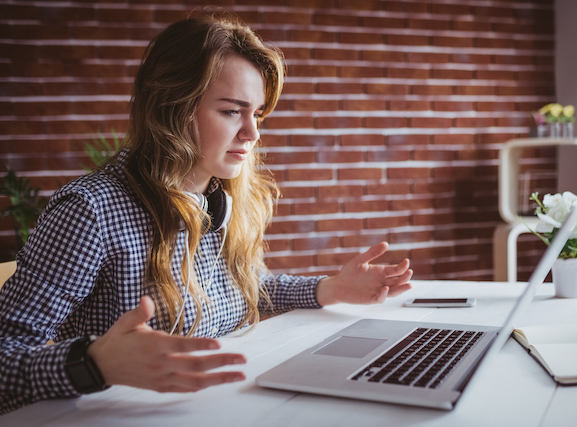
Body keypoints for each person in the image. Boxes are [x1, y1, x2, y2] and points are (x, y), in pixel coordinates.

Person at [0, 12, 412, 414]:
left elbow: (249, 285)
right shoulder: (90, 211)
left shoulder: (217, 199)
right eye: (232, 111)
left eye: (258, 113)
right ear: (172, 109)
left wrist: (331, 289)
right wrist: (95, 363)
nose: (251, 133)